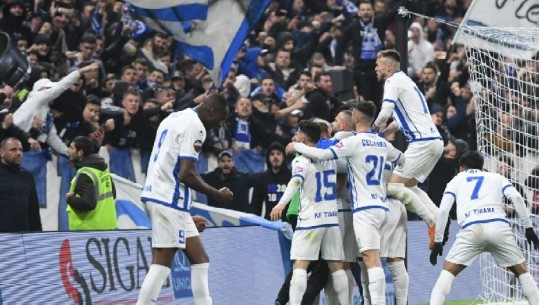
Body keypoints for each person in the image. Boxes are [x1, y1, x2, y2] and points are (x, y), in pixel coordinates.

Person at [286, 101, 404, 305]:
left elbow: (323, 154)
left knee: (370, 260)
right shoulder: (382, 143)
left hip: (363, 209)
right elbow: (401, 159)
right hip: (383, 206)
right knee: (364, 261)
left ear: (355, 119)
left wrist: (296, 146)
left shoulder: (353, 143)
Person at [137, 94, 233, 305]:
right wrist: (218, 194)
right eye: (222, 118)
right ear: (211, 111)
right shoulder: (196, 126)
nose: (221, 124)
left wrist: (186, 215)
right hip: (167, 201)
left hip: (165, 198)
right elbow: (186, 174)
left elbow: (172, 165)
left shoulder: (174, 117)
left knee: (200, 259)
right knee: (162, 263)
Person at [430, 151, 539, 304]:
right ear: (482, 167)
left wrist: (438, 241)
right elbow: (516, 197)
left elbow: (442, 211)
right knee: (522, 272)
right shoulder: (496, 177)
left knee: (448, 272)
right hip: (498, 226)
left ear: (461, 168)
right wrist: (528, 228)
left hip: (472, 229)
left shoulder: (456, 180)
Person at [270, 120, 350, 305]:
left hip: (310, 220)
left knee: (300, 265)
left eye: (298, 134)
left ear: (303, 139)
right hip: (331, 220)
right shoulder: (330, 158)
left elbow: (295, 182)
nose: (295, 137)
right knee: (336, 266)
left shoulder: (301, 159)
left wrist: (281, 204)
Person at [372, 49, 444, 249]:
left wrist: (372, 130)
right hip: (434, 141)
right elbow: (399, 119)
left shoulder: (392, 81)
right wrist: (385, 132)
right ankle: (439, 216)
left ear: (388, 66)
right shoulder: (407, 81)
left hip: (422, 142)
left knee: (394, 187)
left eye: (377, 65)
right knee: (410, 186)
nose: (375, 69)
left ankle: (432, 222)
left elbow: (386, 111)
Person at [66, 136, 117, 231]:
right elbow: (113, 194)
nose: (68, 150)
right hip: (108, 228)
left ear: (80, 153)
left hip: (88, 231)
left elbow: (87, 203)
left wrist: (70, 198)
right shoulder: (102, 170)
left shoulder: (85, 174)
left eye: (71, 148)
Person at [0, 137, 42, 232]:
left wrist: (37, 235)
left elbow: (34, 212)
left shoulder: (27, 176)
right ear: (2, 152)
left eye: (20, 150)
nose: (18, 153)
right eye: (13, 150)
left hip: (23, 238)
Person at [251, 142, 291, 220]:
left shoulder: (292, 177)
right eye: (272, 154)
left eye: (278, 154)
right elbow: (255, 207)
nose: (275, 156)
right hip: (269, 224)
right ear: (268, 158)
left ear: (284, 157)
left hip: (289, 224)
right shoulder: (262, 178)